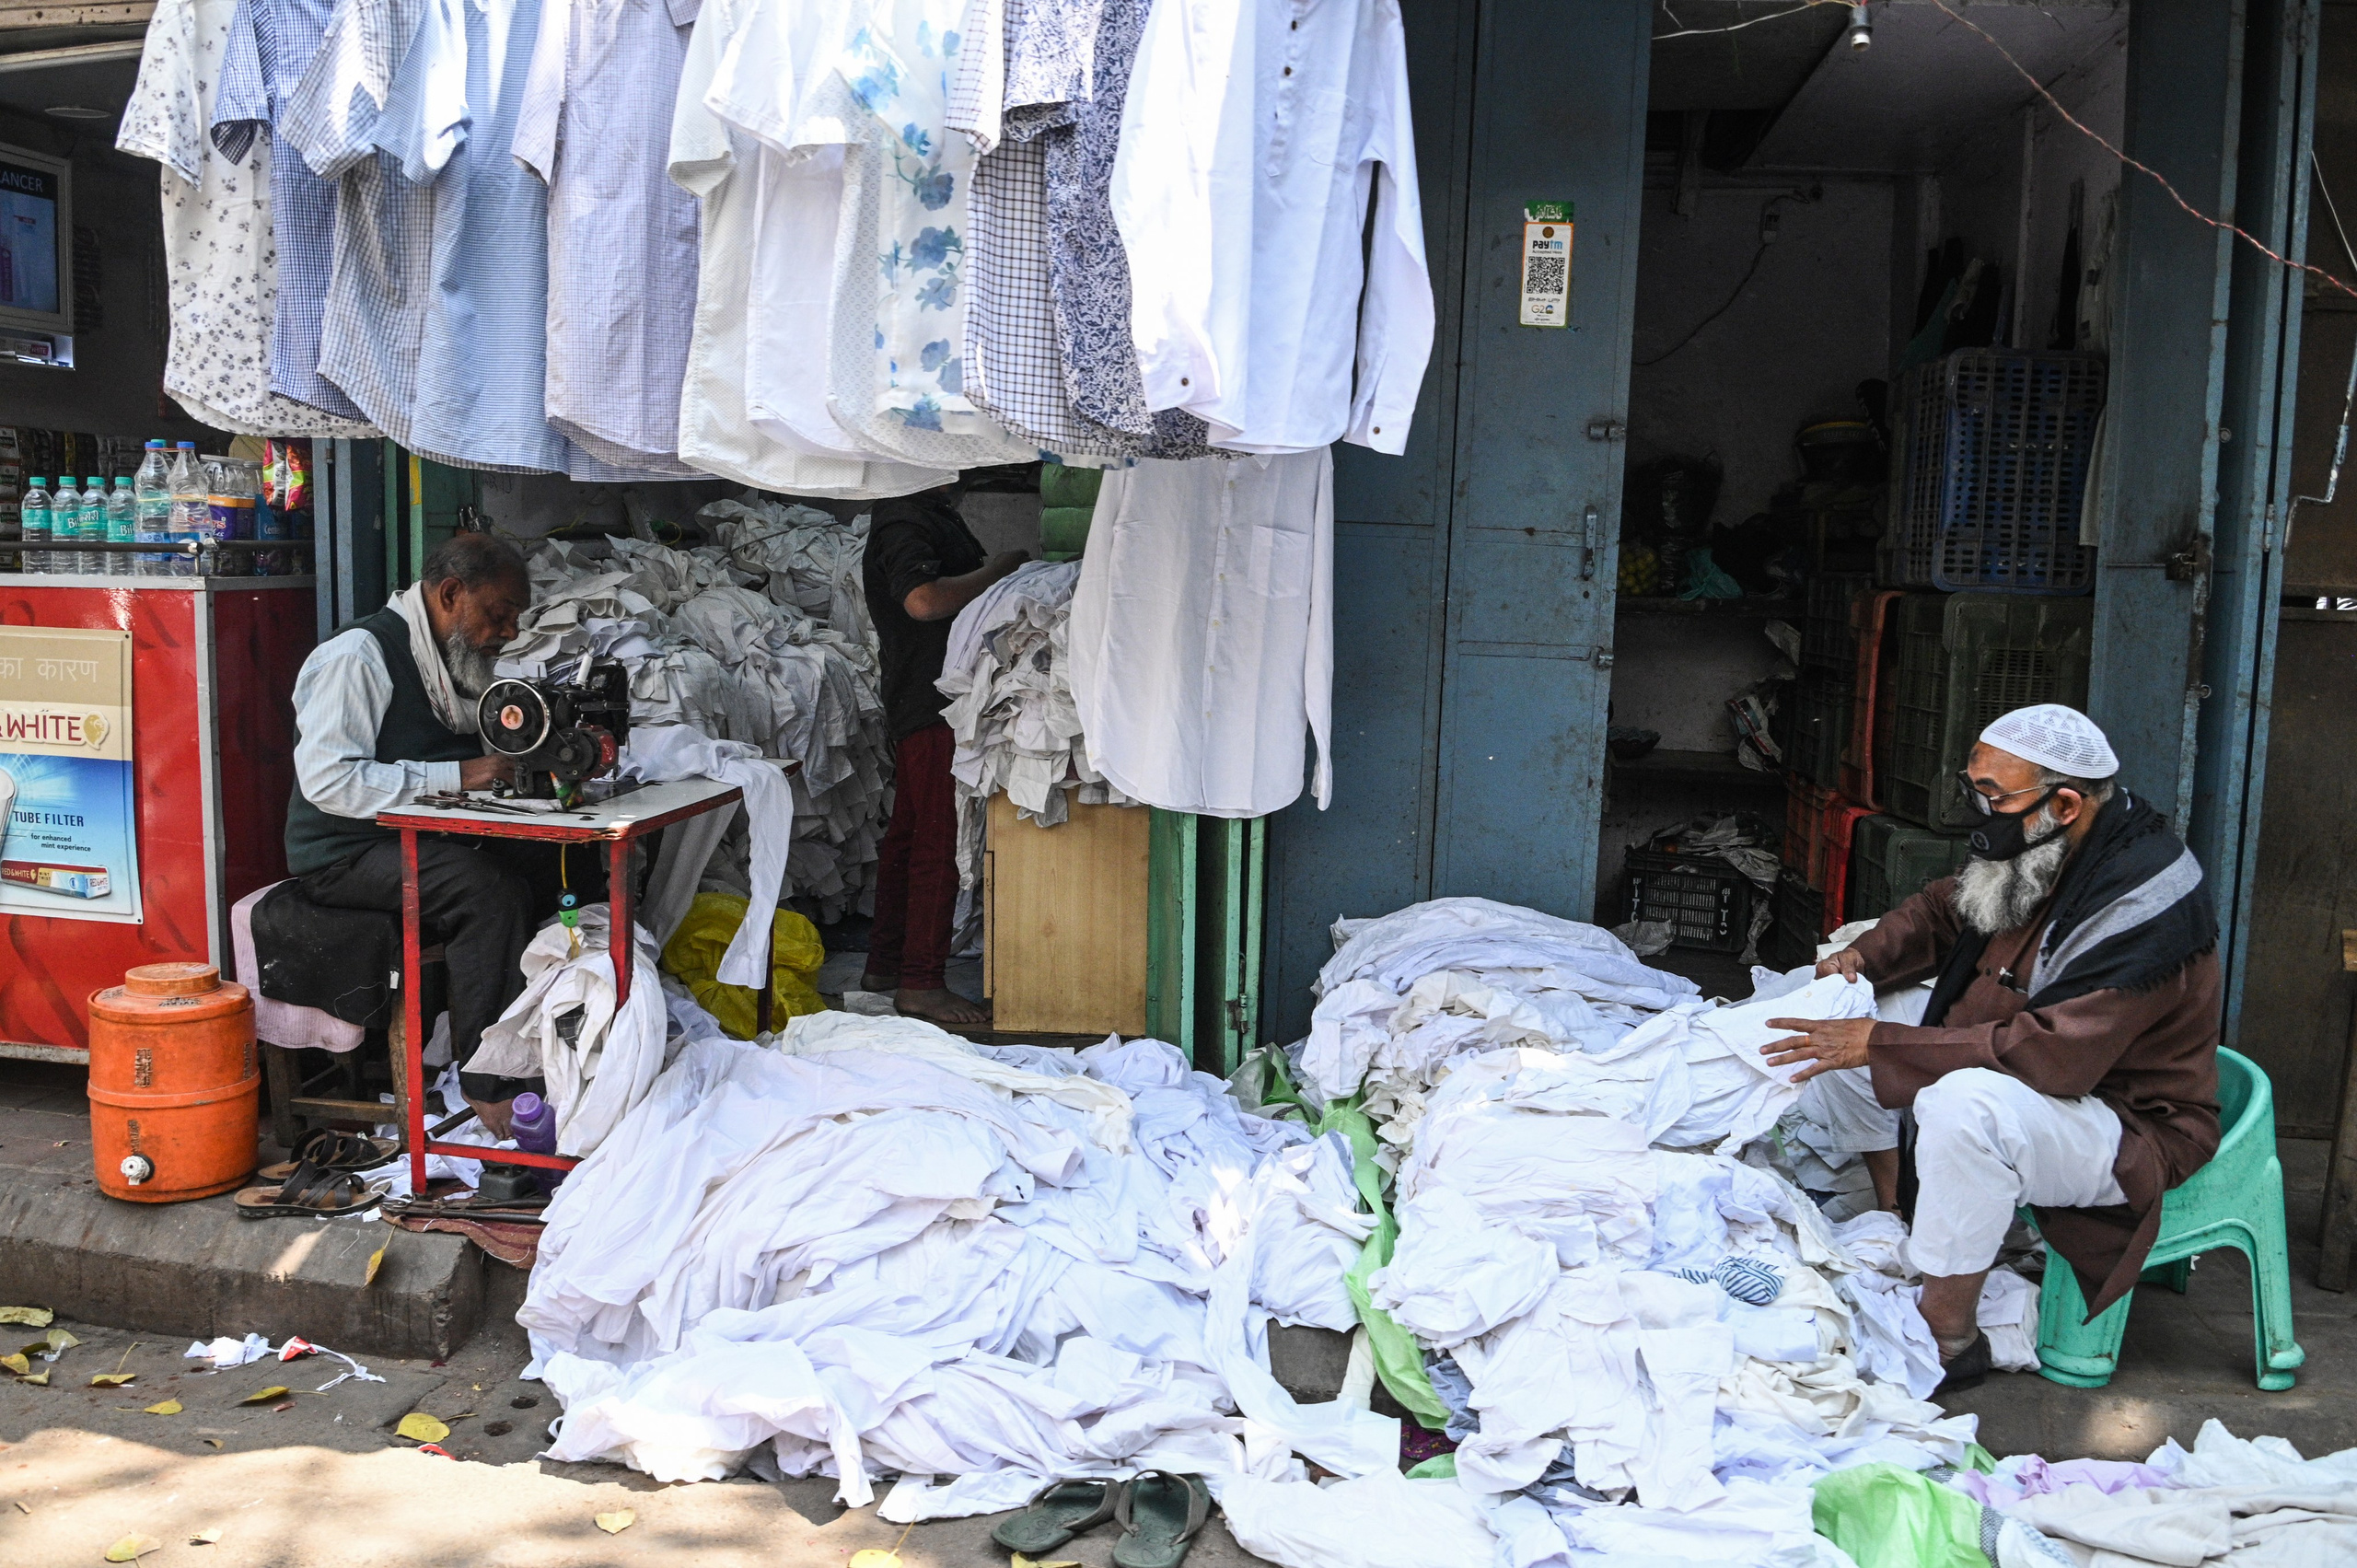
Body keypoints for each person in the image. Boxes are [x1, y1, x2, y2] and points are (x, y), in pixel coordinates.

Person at [1764, 703, 2221, 1395]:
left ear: (2065, 803)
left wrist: (1884, 1044)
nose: (1980, 809)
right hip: (2035, 1055)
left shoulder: (2144, 898)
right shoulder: (2052, 840)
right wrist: (1860, 958)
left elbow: (2056, 1056)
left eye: (1995, 795)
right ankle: (1904, 1220)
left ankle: (1949, 1334)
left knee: (1962, 1104)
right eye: (1973, 786)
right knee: (1835, 1008)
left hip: (2122, 1118)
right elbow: (1943, 908)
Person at [284, 532, 590, 1137]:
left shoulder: (452, 659)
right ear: (451, 593)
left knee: (556, 867)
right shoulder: (360, 656)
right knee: (487, 890)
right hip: (342, 853)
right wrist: (460, 774)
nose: (507, 631)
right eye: (499, 614)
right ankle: (488, 1079)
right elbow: (327, 780)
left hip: (413, 838)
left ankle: (561, 1042)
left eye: (514, 618)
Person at [858, 482, 1029, 1025]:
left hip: (924, 697)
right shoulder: (905, 518)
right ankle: (921, 986)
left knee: (910, 836)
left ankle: (886, 966)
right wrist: (999, 571)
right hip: (933, 704)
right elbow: (923, 600)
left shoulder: (922, 512)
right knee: (937, 838)